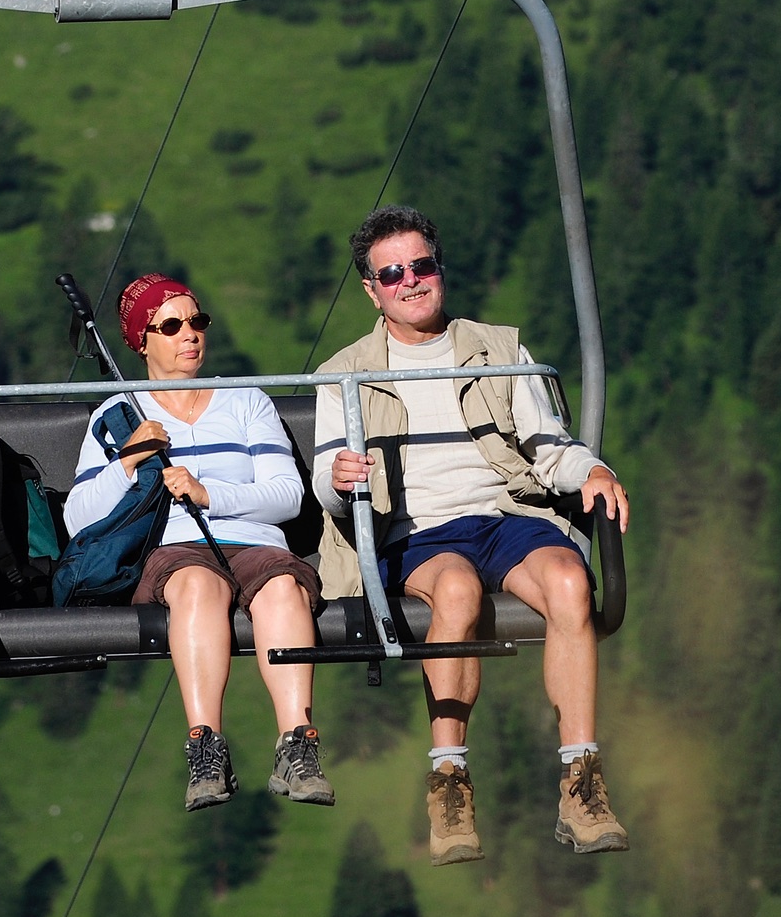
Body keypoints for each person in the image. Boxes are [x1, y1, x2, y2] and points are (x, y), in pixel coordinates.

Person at [312, 206, 631, 864]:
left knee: (571, 581)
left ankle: (581, 777)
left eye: (421, 266)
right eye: (392, 272)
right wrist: (342, 479)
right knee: (455, 590)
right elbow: (324, 479)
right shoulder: (345, 372)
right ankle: (449, 779)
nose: (411, 281)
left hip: (505, 515)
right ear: (372, 289)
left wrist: (593, 469)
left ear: (439, 270)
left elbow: (547, 446)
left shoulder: (499, 350)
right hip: (416, 531)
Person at [65, 274, 333, 812]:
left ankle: (296, 741)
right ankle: (205, 744)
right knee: (195, 585)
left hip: (254, 542)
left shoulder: (245, 402)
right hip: (177, 547)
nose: (190, 334)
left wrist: (210, 494)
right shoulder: (117, 416)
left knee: (282, 586)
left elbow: (286, 495)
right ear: (142, 340)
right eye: (171, 325)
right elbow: (79, 517)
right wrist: (129, 461)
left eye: (197, 321)